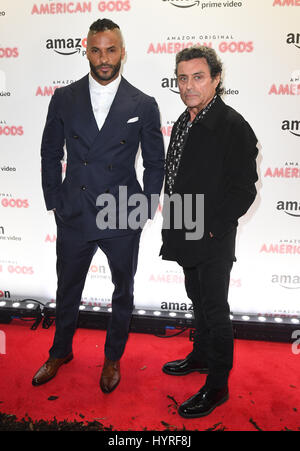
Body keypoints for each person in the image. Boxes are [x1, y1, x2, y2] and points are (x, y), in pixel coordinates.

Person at [32, 18, 165, 393]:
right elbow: (48, 152)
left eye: (110, 49)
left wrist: (145, 207)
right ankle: (60, 351)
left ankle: (112, 357)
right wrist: (54, 199)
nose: (103, 58)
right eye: (96, 49)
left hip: (122, 209)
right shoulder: (64, 97)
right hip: (74, 209)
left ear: (123, 52)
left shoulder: (144, 103)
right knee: (67, 287)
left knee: (123, 288)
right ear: (85, 50)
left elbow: (155, 162)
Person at [160, 46, 258, 418]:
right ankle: (201, 356)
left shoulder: (233, 126)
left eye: (198, 77)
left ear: (216, 79)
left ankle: (217, 385)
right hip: (184, 228)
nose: (189, 85)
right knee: (196, 300)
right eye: (182, 78)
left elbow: (243, 190)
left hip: (212, 238)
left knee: (215, 310)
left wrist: (214, 232)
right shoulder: (185, 120)